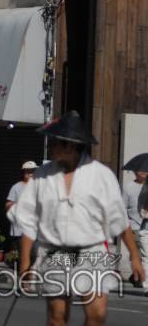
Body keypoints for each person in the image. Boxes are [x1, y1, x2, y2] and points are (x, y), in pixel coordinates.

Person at [16, 112, 146, 326]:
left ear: (71, 146)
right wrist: (25, 264)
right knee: (57, 318)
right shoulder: (42, 175)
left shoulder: (101, 175)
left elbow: (119, 219)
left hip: (92, 252)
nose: (51, 148)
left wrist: (134, 256)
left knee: (96, 315)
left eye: (55, 143)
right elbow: (29, 221)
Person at [5, 160, 37, 257]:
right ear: (24, 172)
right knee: (24, 255)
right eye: (29, 171)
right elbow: (8, 205)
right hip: (21, 228)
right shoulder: (16, 187)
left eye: (33, 171)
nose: (31, 174)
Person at [123, 168, 148, 288]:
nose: (143, 172)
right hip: (134, 225)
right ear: (134, 171)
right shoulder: (128, 186)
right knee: (137, 254)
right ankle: (138, 277)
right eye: (140, 170)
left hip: (146, 225)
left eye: (145, 170)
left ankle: (137, 276)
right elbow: (122, 206)